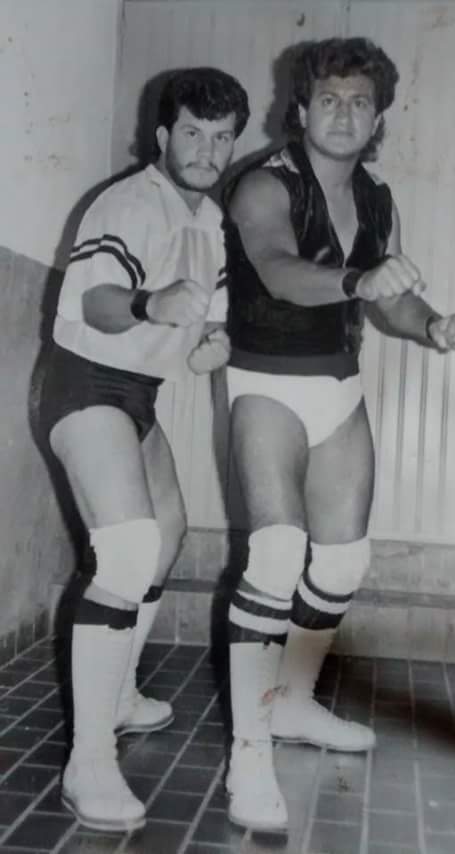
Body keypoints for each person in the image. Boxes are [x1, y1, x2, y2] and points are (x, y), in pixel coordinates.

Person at [222, 38, 455, 832]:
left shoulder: (375, 195)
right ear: (300, 110)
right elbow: (277, 269)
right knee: (274, 556)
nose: (343, 114)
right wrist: (362, 279)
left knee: (341, 562)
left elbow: (386, 297)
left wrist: (432, 324)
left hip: (338, 383)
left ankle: (294, 703)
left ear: (377, 120)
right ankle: (248, 755)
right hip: (265, 381)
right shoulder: (263, 183)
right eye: (328, 100)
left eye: (360, 102)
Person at [41, 67, 249, 832]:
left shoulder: (214, 222)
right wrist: (148, 302)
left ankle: (121, 695)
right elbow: (97, 300)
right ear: (163, 135)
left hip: (138, 395)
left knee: (166, 537)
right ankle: (88, 761)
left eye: (221, 137)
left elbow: (208, 326)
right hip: (83, 383)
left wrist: (214, 342)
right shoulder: (128, 201)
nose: (206, 150)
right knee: (126, 552)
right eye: (192, 132)